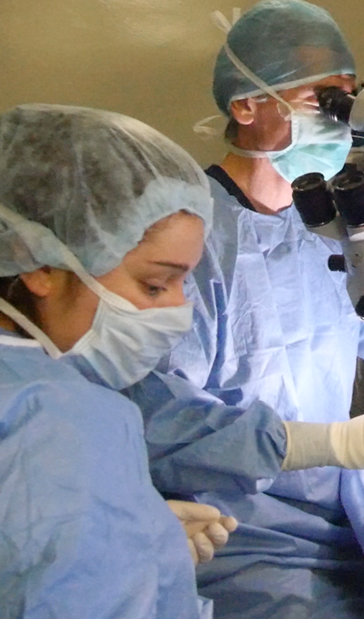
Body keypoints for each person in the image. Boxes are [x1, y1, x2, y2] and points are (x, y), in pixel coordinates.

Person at [125, 1, 364, 617]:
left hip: (345, 514)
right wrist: (331, 442)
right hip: (233, 533)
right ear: (246, 105)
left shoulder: (332, 224)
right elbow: (163, 417)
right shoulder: (188, 239)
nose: (341, 123)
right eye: (321, 101)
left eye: (347, 99)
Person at [0, 103, 237, 618]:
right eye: (155, 284)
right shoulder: (59, 419)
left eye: (183, 283)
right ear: (40, 263)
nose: (178, 309)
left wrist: (139, 542)